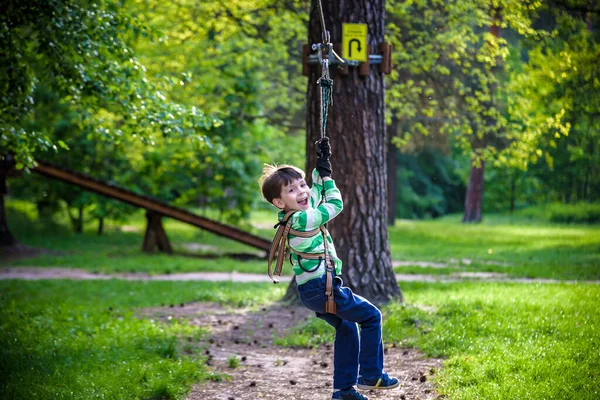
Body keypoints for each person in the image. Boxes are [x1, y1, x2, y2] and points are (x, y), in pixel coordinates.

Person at [259, 137, 399, 400]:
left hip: (312, 292)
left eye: (302, 185)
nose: (302, 191)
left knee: (346, 328)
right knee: (371, 316)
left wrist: (321, 170)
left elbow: (316, 195)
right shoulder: (301, 218)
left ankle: (343, 391)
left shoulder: (294, 215)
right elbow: (334, 205)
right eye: (292, 190)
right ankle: (371, 375)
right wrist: (329, 181)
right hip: (322, 288)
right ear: (279, 202)